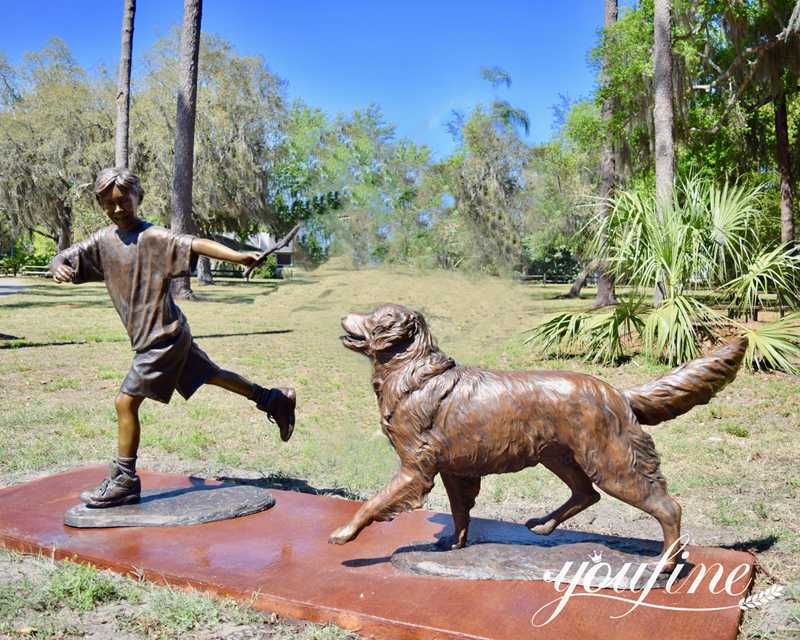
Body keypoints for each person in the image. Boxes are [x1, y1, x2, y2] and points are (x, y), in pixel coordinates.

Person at [50, 167, 296, 508]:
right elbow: (65, 255)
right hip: (160, 334)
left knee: (125, 402)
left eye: (124, 201)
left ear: (139, 198)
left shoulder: (153, 237)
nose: (118, 209)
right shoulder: (103, 241)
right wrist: (56, 264)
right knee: (210, 375)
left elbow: (195, 243)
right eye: (109, 204)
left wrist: (239, 256)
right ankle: (273, 399)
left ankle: (124, 479)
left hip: (162, 337)